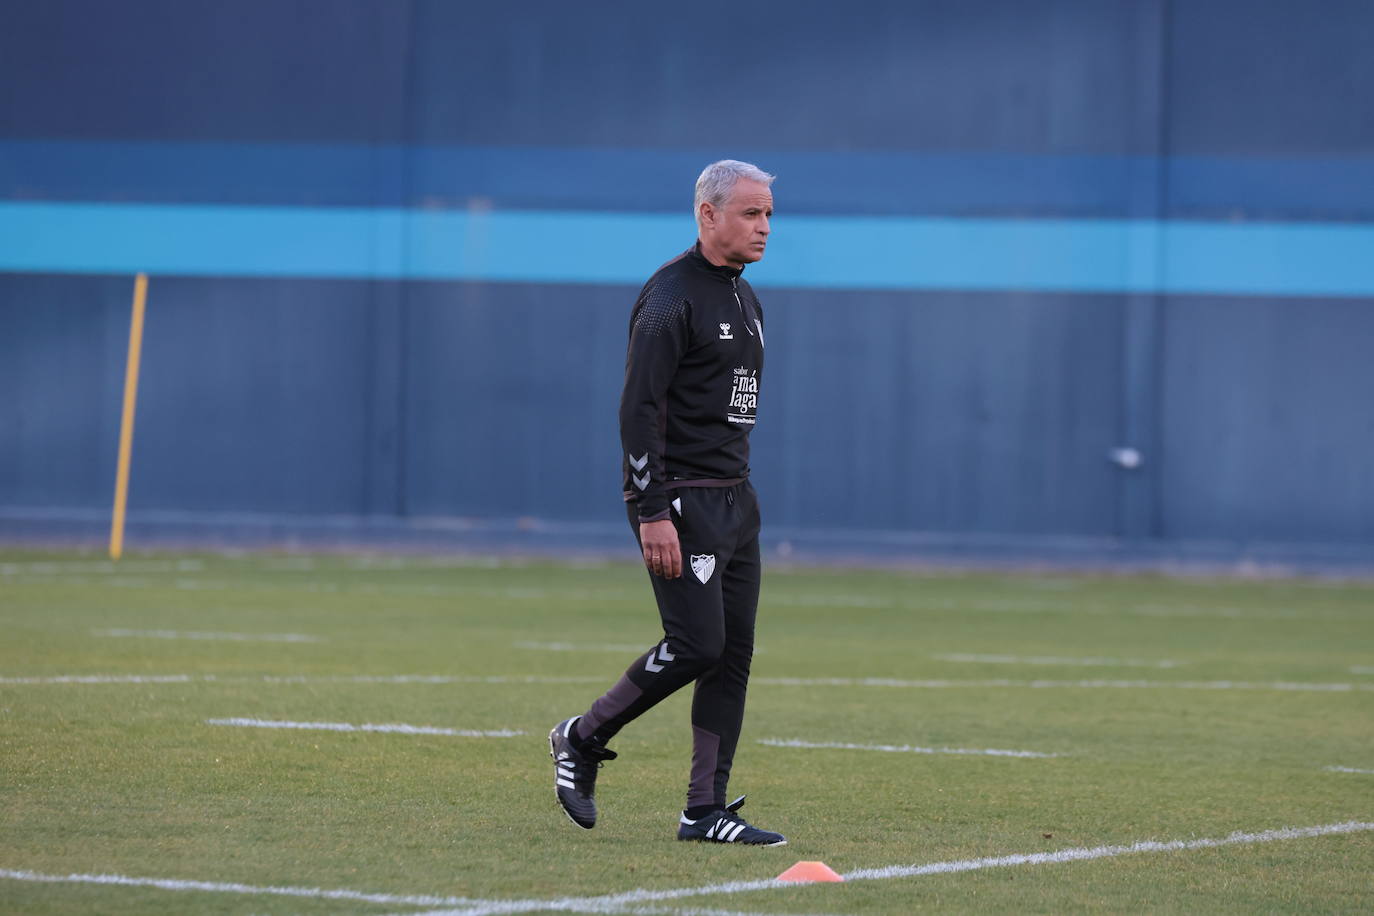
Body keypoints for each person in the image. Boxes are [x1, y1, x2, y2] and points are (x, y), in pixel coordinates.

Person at [549, 160, 784, 846]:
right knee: (696, 645)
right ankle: (582, 737)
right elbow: (637, 411)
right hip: (679, 502)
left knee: (731, 653)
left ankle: (703, 810)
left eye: (769, 214)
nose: (764, 226)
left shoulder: (746, 299)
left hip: (736, 501)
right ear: (708, 214)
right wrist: (650, 508)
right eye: (750, 213)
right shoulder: (669, 297)